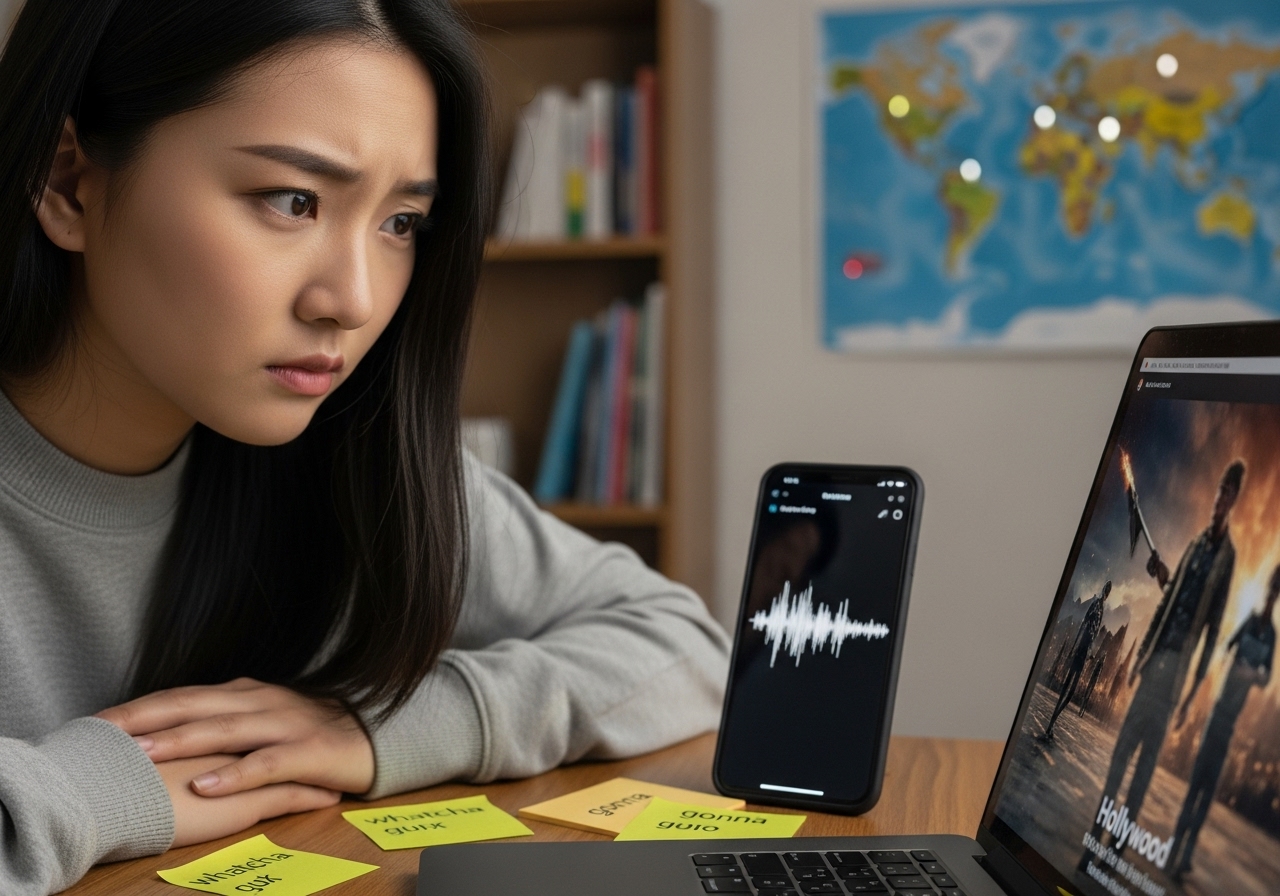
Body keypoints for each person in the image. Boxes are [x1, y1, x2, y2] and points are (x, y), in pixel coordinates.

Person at [0, 3, 730, 894]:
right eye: (292, 200)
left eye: (400, 223)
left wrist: (374, 723)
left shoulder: (355, 462)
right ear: (68, 182)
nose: (351, 300)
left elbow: (680, 644)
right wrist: (84, 788)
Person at [1086, 460, 1242, 855]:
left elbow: (1211, 630)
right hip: (1154, 665)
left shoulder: (1227, 560)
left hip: (1174, 678)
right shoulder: (1194, 545)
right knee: (1121, 754)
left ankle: (1117, 844)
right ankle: (1097, 833)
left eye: (1227, 492)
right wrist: (1140, 658)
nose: (1219, 498)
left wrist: (1190, 696)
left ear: (1234, 499)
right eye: (1219, 488)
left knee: (1143, 767)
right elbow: (1170, 600)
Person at [1168, 564, 1278, 880]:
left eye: (1276, 594)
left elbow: (1268, 676)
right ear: (1266, 592)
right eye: (1270, 591)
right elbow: (1226, 646)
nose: (1272, 597)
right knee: (1196, 783)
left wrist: (1252, 674)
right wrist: (1233, 663)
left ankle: (1186, 855)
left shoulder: (1271, 635)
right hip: (1216, 713)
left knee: (1209, 789)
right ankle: (1175, 847)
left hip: (1231, 723)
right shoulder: (1249, 623)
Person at [1040, 581, 1111, 741]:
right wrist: (1074, 648)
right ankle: (1051, 724)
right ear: (1104, 590)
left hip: (1084, 651)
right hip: (1080, 649)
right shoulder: (1095, 606)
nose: (1107, 593)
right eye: (1107, 589)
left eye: (1108, 590)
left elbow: (1092, 634)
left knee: (1070, 691)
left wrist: (1089, 653)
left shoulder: (1100, 610)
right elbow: (1084, 627)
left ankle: (1052, 722)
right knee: (1067, 688)